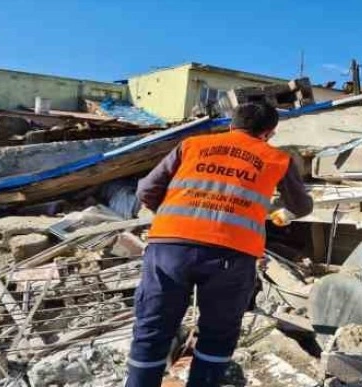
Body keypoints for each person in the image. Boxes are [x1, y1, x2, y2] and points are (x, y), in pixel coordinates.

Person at [125, 102, 313, 387]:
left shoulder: (192, 145)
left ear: (230, 124)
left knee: (153, 328)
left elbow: (146, 190)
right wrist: (284, 213)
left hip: (170, 248)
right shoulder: (277, 159)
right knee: (218, 334)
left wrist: (173, 215)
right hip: (232, 256)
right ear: (270, 133)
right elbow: (301, 205)